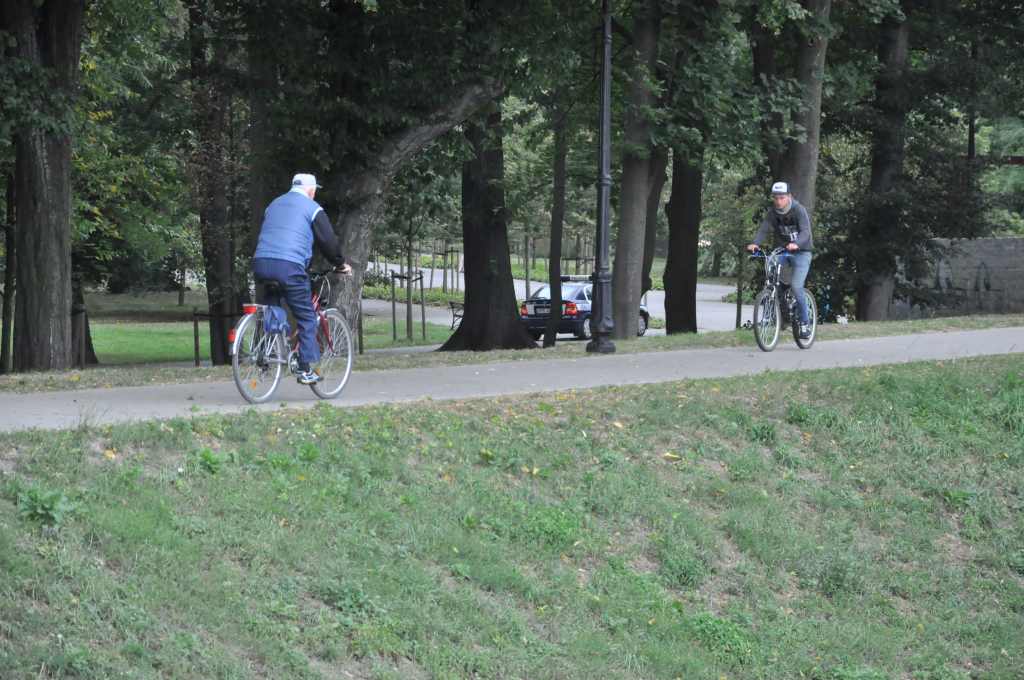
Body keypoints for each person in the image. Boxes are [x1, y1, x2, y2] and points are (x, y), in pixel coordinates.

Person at [252, 173, 351, 384]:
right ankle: (304, 368)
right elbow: (328, 241)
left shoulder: (274, 204)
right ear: (311, 190)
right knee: (306, 316)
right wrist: (339, 264)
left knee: (272, 307)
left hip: (261, 263)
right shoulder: (312, 208)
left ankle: (267, 350)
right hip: (289, 266)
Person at [746, 181, 814, 339]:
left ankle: (805, 324)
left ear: (789, 196)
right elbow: (764, 229)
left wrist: (796, 244)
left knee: (797, 287)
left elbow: (806, 232)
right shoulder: (773, 213)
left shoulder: (798, 210)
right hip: (784, 252)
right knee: (770, 265)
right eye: (775, 198)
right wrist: (755, 244)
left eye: (782, 197)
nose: (778, 201)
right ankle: (775, 305)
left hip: (802, 253)